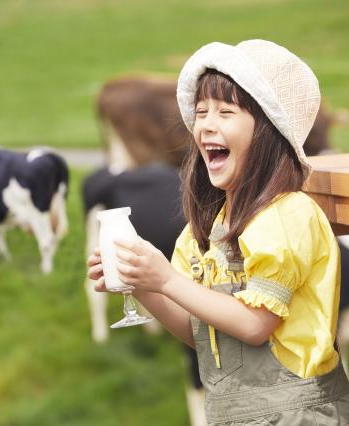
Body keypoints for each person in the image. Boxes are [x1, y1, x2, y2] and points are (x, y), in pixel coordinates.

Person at [87, 39, 349, 424]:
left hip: (298, 416)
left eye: (226, 112)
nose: (206, 123)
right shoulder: (205, 229)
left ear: (267, 133)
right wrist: (145, 284)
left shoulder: (288, 215)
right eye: (201, 112)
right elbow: (197, 333)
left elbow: (255, 325)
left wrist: (166, 279)